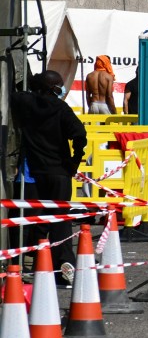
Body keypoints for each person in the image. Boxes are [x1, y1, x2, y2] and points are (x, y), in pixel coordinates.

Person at [11, 71, 85, 282]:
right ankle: (63, 265)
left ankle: (33, 263)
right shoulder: (61, 108)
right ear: (54, 87)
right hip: (59, 172)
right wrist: (74, 160)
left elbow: (15, 91)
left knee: (36, 220)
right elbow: (80, 134)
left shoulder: (25, 103)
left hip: (34, 172)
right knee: (60, 220)